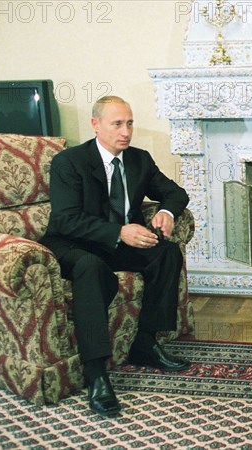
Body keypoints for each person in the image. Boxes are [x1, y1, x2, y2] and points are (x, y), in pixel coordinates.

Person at [40, 96, 191, 417]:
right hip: (74, 245)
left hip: (120, 244)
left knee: (166, 252)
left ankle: (145, 342)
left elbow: (177, 193)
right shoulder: (69, 162)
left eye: (130, 123)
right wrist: (119, 233)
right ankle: (96, 373)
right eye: (117, 124)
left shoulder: (139, 160)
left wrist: (166, 211)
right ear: (96, 125)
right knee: (91, 268)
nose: (126, 131)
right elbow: (66, 220)